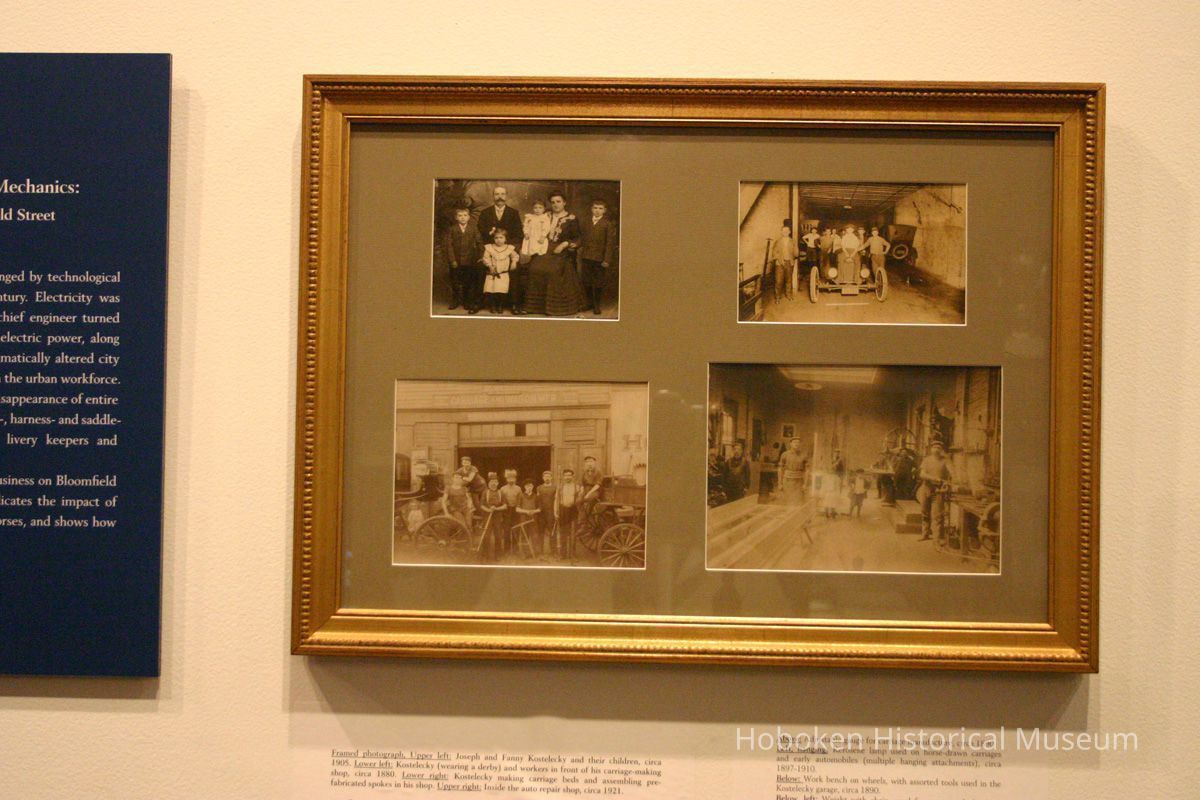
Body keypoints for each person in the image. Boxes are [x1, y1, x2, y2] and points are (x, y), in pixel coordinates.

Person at [532, 192, 584, 316]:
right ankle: (537, 306)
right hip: (544, 249)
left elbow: (578, 238)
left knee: (553, 270)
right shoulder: (545, 215)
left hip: (561, 251)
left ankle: (555, 307)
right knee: (534, 268)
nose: (555, 204)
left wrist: (565, 244)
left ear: (564, 203)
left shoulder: (571, 218)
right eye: (553, 202)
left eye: (558, 201)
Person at [476, 186, 525, 313]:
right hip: (490, 252)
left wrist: (509, 252)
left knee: (515, 270)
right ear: (493, 196)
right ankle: (479, 302)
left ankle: (514, 303)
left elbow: (519, 235)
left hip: (507, 252)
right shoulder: (485, 213)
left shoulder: (513, 213)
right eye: (497, 194)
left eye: (502, 194)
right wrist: (487, 253)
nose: (500, 197)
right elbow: (480, 233)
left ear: (506, 196)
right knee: (479, 268)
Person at [577, 197, 616, 315]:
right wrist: (576, 245)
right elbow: (581, 238)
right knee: (586, 281)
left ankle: (596, 305)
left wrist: (606, 260)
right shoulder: (586, 222)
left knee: (598, 282)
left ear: (604, 210)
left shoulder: (607, 224)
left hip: (599, 259)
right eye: (595, 208)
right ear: (591, 209)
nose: (597, 210)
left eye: (600, 208)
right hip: (586, 256)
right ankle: (589, 303)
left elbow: (610, 244)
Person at [440, 205, 483, 312]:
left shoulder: (473, 229)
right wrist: (452, 260)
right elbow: (448, 246)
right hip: (456, 260)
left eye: (465, 215)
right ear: (456, 217)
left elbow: (479, 243)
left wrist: (480, 257)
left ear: (469, 217)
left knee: (468, 282)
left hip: (470, 260)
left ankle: (466, 301)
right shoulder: (452, 229)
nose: (463, 217)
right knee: (455, 281)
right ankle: (455, 300)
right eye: (460, 215)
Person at [520, 199, 552, 312]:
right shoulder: (529, 217)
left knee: (539, 254)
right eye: (535, 208)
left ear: (544, 209)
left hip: (539, 239)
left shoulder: (545, 218)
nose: (537, 210)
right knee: (532, 255)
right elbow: (525, 226)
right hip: (531, 239)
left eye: (540, 208)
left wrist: (543, 236)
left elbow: (547, 228)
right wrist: (526, 233)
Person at [917, 440, 953, 541]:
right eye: (934, 447)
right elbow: (922, 474)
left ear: (942, 450)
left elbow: (953, 473)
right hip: (926, 488)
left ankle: (938, 538)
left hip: (938, 490)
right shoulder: (926, 460)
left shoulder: (946, 461)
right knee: (924, 512)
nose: (936, 449)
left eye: (939, 448)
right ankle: (925, 534)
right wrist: (935, 478)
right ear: (931, 449)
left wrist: (948, 482)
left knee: (938, 515)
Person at [482, 228, 518, 314]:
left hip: (503, 274)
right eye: (496, 238)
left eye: (501, 237)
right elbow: (486, 258)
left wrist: (514, 262)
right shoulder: (489, 247)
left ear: (505, 239)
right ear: (493, 239)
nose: (498, 240)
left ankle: (500, 305)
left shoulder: (509, 248)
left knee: (501, 291)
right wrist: (490, 266)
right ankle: (492, 305)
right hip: (492, 273)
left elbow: (515, 256)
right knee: (491, 290)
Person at [554, 467, 584, 561]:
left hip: (573, 510)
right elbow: (556, 500)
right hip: (563, 510)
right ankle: (562, 555)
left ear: (572, 476)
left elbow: (581, 498)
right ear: (563, 477)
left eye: (569, 475)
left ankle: (572, 555)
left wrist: (581, 492)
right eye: (566, 475)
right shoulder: (560, 487)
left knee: (573, 533)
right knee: (563, 533)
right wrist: (555, 512)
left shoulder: (576, 487)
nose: (567, 477)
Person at [478, 477, 505, 562]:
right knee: (486, 535)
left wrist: (496, 509)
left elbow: (505, 506)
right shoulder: (485, 492)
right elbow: (481, 505)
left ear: (498, 483)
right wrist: (488, 510)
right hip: (487, 516)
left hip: (498, 516)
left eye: (495, 482)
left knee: (498, 536)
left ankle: (498, 555)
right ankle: (485, 555)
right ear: (489, 483)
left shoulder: (501, 492)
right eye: (492, 482)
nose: (493, 484)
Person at [772, 219, 799, 302]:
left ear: (789, 232)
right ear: (781, 232)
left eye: (787, 231)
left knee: (789, 280)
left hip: (789, 263)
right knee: (778, 281)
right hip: (779, 263)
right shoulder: (777, 241)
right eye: (783, 231)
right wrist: (779, 259)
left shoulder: (792, 241)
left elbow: (796, 254)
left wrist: (795, 251)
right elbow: (774, 253)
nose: (785, 232)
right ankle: (778, 297)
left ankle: (789, 295)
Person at [498, 468, 522, 557]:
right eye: (509, 478)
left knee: (516, 529)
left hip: (515, 511)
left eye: (512, 478)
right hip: (506, 511)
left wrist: (518, 508)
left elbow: (520, 500)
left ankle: (515, 550)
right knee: (506, 530)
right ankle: (507, 550)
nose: (511, 480)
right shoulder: (502, 489)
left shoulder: (518, 489)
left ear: (515, 479)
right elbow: (501, 501)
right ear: (506, 479)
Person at [515, 479, 541, 558]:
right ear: (524, 487)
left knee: (534, 536)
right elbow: (517, 509)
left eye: (530, 486)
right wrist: (526, 511)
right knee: (524, 536)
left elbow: (540, 509)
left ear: (533, 487)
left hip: (533, 519)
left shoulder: (536, 496)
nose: (529, 487)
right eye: (527, 486)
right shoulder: (521, 496)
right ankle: (525, 553)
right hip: (524, 519)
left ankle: (535, 553)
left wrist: (534, 511)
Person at [777, 438, 807, 505]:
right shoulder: (785, 454)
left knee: (798, 501)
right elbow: (780, 469)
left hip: (799, 481)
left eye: (798, 442)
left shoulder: (803, 455)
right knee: (787, 501)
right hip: (787, 481)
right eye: (794, 442)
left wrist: (805, 484)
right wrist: (779, 483)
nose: (796, 444)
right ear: (790, 444)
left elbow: (806, 471)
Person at [536, 470, 557, 557]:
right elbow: (537, 501)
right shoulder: (539, 488)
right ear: (543, 478)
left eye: (548, 476)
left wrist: (555, 512)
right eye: (545, 476)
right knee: (540, 532)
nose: (547, 478)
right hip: (541, 513)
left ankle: (553, 551)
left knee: (552, 532)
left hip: (551, 513)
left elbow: (557, 501)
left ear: (551, 478)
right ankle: (540, 551)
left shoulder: (555, 487)